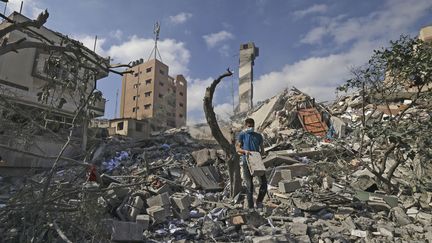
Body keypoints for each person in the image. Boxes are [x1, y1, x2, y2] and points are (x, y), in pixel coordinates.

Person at [236, 118, 267, 208]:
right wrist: (245, 151)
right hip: (246, 162)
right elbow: (238, 149)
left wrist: (259, 154)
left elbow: (262, 150)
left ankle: (259, 201)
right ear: (245, 126)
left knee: (264, 183)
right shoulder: (242, 135)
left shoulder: (258, 136)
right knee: (249, 186)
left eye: (252, 126)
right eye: (249, 126)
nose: (251, 128)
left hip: (257, 162)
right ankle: (251, 208)